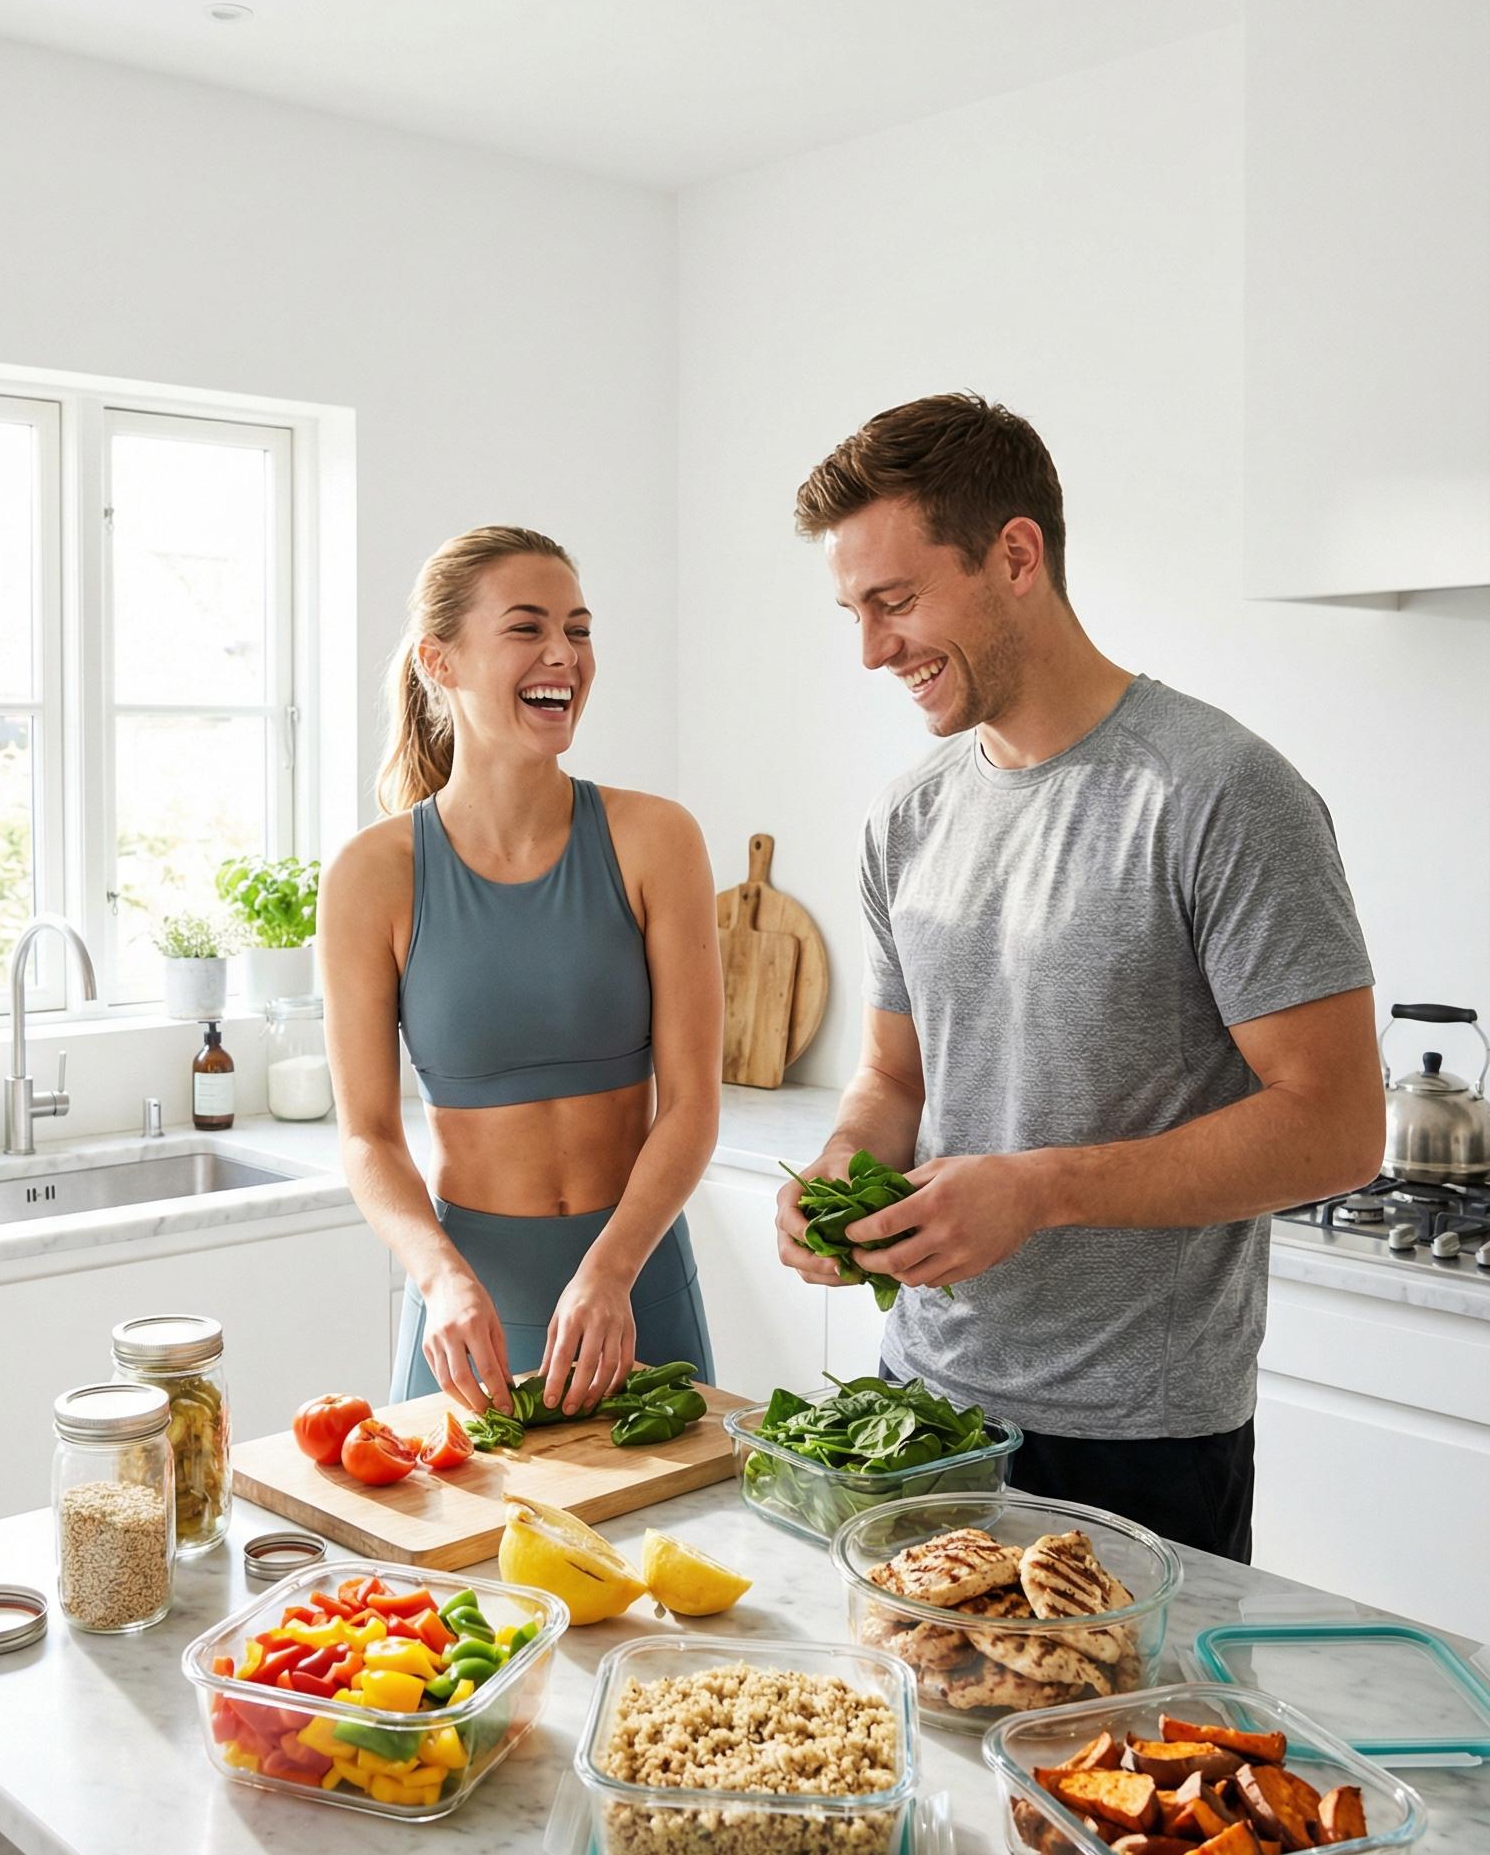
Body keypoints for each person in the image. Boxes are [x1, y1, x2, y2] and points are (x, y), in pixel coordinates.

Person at [774, 395, 1384, 1561]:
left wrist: (1037, 1191)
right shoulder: (907, 814)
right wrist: (843, 1167)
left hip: (1137, 1442)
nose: (871, 649)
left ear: (1015, 556)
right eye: (854, 610)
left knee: (1124, 1748)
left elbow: (1341, 1128)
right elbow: (891, 1076)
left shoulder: (1218, 793)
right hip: (917, 1409)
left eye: (895, 602)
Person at [321, 525, 720, 1417]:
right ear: (442, 661)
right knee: (458, 1560)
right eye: (527, 628)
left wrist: (613, 1271)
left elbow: (692, 1104)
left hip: (634, 1288)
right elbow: (367, 1136)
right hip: (471, 1316)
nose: (563, 656)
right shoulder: (371, 875)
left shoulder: (657, 839)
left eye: (578, 630)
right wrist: (439, 1281)